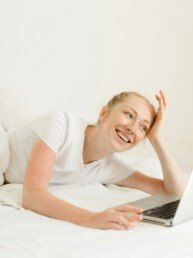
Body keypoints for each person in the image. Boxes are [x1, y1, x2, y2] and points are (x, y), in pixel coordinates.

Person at [3, 90, 188, 230]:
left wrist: (157, 140)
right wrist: (91, 218)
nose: (132, 128)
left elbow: (175, 191)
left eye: (143, 127)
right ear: (103, 113)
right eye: (129, 115)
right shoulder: (62, 123)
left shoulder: (109, 167)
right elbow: (32, 196)